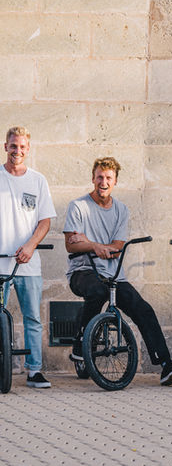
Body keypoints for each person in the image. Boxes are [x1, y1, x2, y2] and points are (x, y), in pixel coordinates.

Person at [63, 157, 172, 386]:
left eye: (108, 178)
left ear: (115, 181)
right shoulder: (78, 206)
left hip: (114, 274)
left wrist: (87, 241)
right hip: (83, 270)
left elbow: (117, 247)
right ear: (93, 179)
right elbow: (71, 245)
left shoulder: (121, 209)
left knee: (143, 309)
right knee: (97, 291)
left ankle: (166, 364)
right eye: (100, 177)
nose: (104, 182)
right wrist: (95, 246)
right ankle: (82, 343)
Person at [0, 126, 56, 388]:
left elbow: (45, 221)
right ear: (6, 147)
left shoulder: (38, 180)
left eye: (22, 147)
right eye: (13, 146)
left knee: (32, 318)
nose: (17, 151)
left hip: (28, 264)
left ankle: (34, 371)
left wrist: (30, 246)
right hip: (0, 263)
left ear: (28, 149)